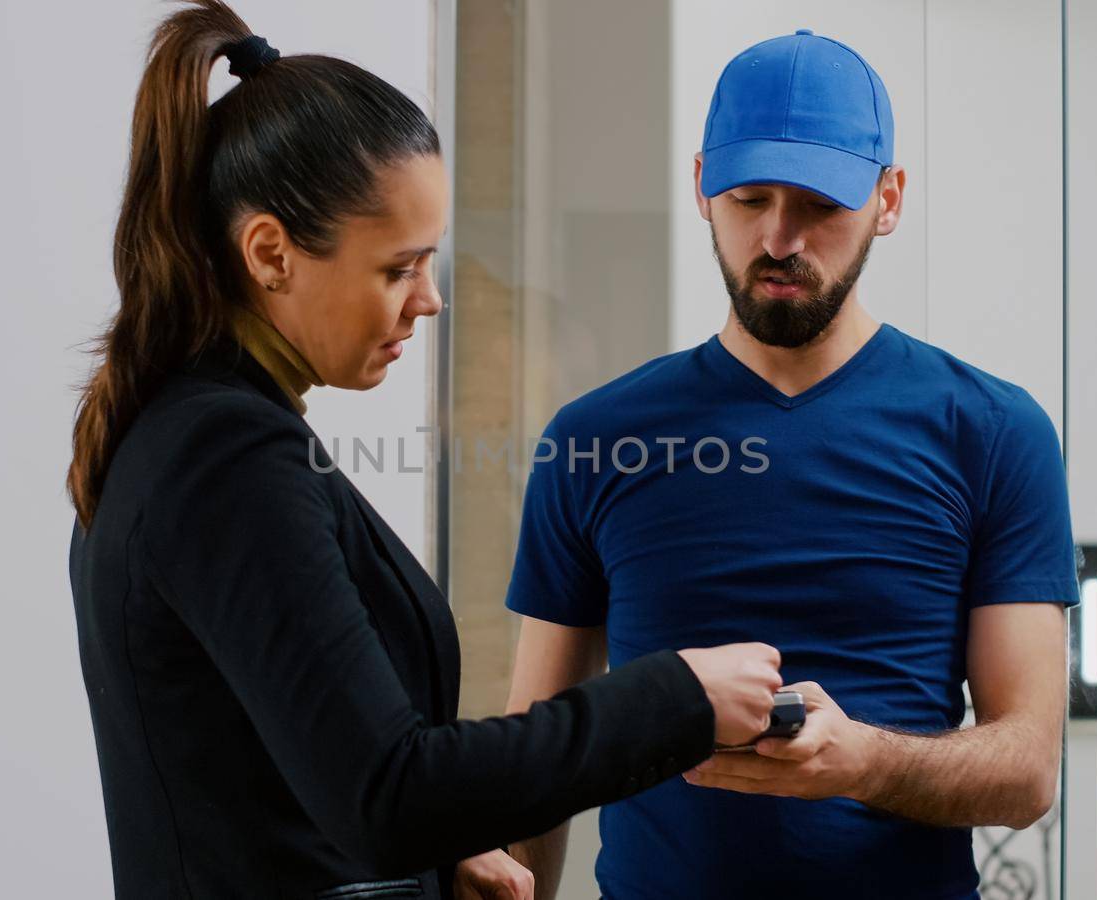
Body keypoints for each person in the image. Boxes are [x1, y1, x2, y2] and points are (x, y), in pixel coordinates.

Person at [64, 3, 784, 898]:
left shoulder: (195, 433)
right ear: (270, 254)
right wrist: (678, 700)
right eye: (398, 268)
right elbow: (387, 794)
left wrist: (436, 866)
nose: (430, 299)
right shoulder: (225, 457)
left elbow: (283, 776)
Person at [503, 29, 1078, 899]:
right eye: (749, 198)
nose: (778, 238)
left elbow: (1028, 772)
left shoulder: (994, 431)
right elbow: (535, 762)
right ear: (701, 185)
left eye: (818, 203)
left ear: (888, 198)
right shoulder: (592, 438)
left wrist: (861, 762)